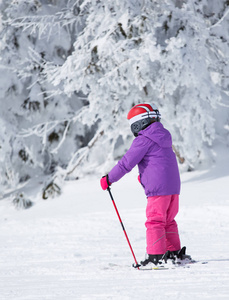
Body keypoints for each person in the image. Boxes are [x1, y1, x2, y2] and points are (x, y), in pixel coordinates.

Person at [100, 103, 190, 267]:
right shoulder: (163, 135)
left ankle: (156, 256)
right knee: (168, 220)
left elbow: (126, 164)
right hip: (173, 188)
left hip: (157, 190)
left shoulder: (144, 139)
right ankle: (174, 252)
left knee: (155, 221)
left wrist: (109, 179)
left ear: (138, 123)